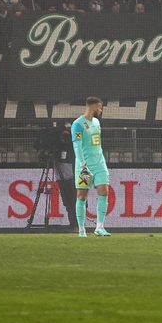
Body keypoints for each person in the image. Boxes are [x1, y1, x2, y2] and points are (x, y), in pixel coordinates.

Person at [71, 97, 111, 237]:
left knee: (104, 191)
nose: (101, 110)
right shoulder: (78, 124)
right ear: (94, 107)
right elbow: (77, 146)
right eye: (100, 108)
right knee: (82, 196)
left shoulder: (97, 122)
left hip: (99, 164)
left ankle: (99, 227)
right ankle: (82, 229)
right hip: (84, 166)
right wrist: (83, 165)